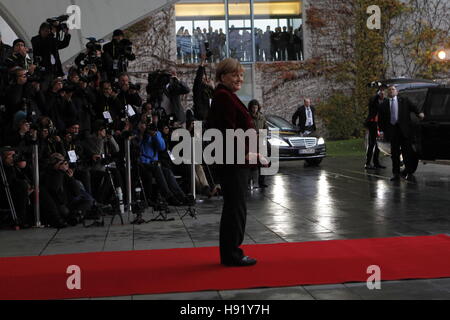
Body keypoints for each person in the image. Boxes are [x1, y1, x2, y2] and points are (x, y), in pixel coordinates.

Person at [207, 58, 268, 267]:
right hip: (233, 162)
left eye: (241, 75)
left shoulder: (227, 96)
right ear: (223, 76)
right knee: (235, 208)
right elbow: (227, 132)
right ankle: (232, 254)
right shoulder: (224, 97)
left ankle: (231, 252)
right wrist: (244, 155)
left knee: (235, 207)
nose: (239, 78)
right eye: (235, 75)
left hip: (235, 161)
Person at [378, 85, 424, 181]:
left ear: (397, 92)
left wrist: (419, 113)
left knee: (407, 152)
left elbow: (414, 107)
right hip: (392, 131)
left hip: (404, 131)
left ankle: (408, 172)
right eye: (389, 90)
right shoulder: (383, 104)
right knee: (394, 154)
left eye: (393, 89)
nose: (391, 91)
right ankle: (396, 174)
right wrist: (382, 131)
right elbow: (381, 120)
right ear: (387, 93)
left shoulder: (404, 100)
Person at [365, 86, 387, 170]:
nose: (382, 93)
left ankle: (376, 162)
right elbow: (373, 102)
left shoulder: (385, 101)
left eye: (383, 91)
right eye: (380, 91)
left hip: (380, 124)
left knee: (378, 144)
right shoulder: (374, 100)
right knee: (372, 143)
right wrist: (377, 95)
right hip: (373, 124)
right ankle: (367, 163)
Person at [248, 99, 269, 189]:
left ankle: (262, 182)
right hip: (252, 142)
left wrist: (262, 134)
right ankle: (250, 182)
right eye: (253, 107)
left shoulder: (261, 117)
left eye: (256, 107)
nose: (254, 109)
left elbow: (266, 127)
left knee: (262, 163)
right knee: (252, 164)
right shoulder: (248, 116)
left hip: (261, 142)